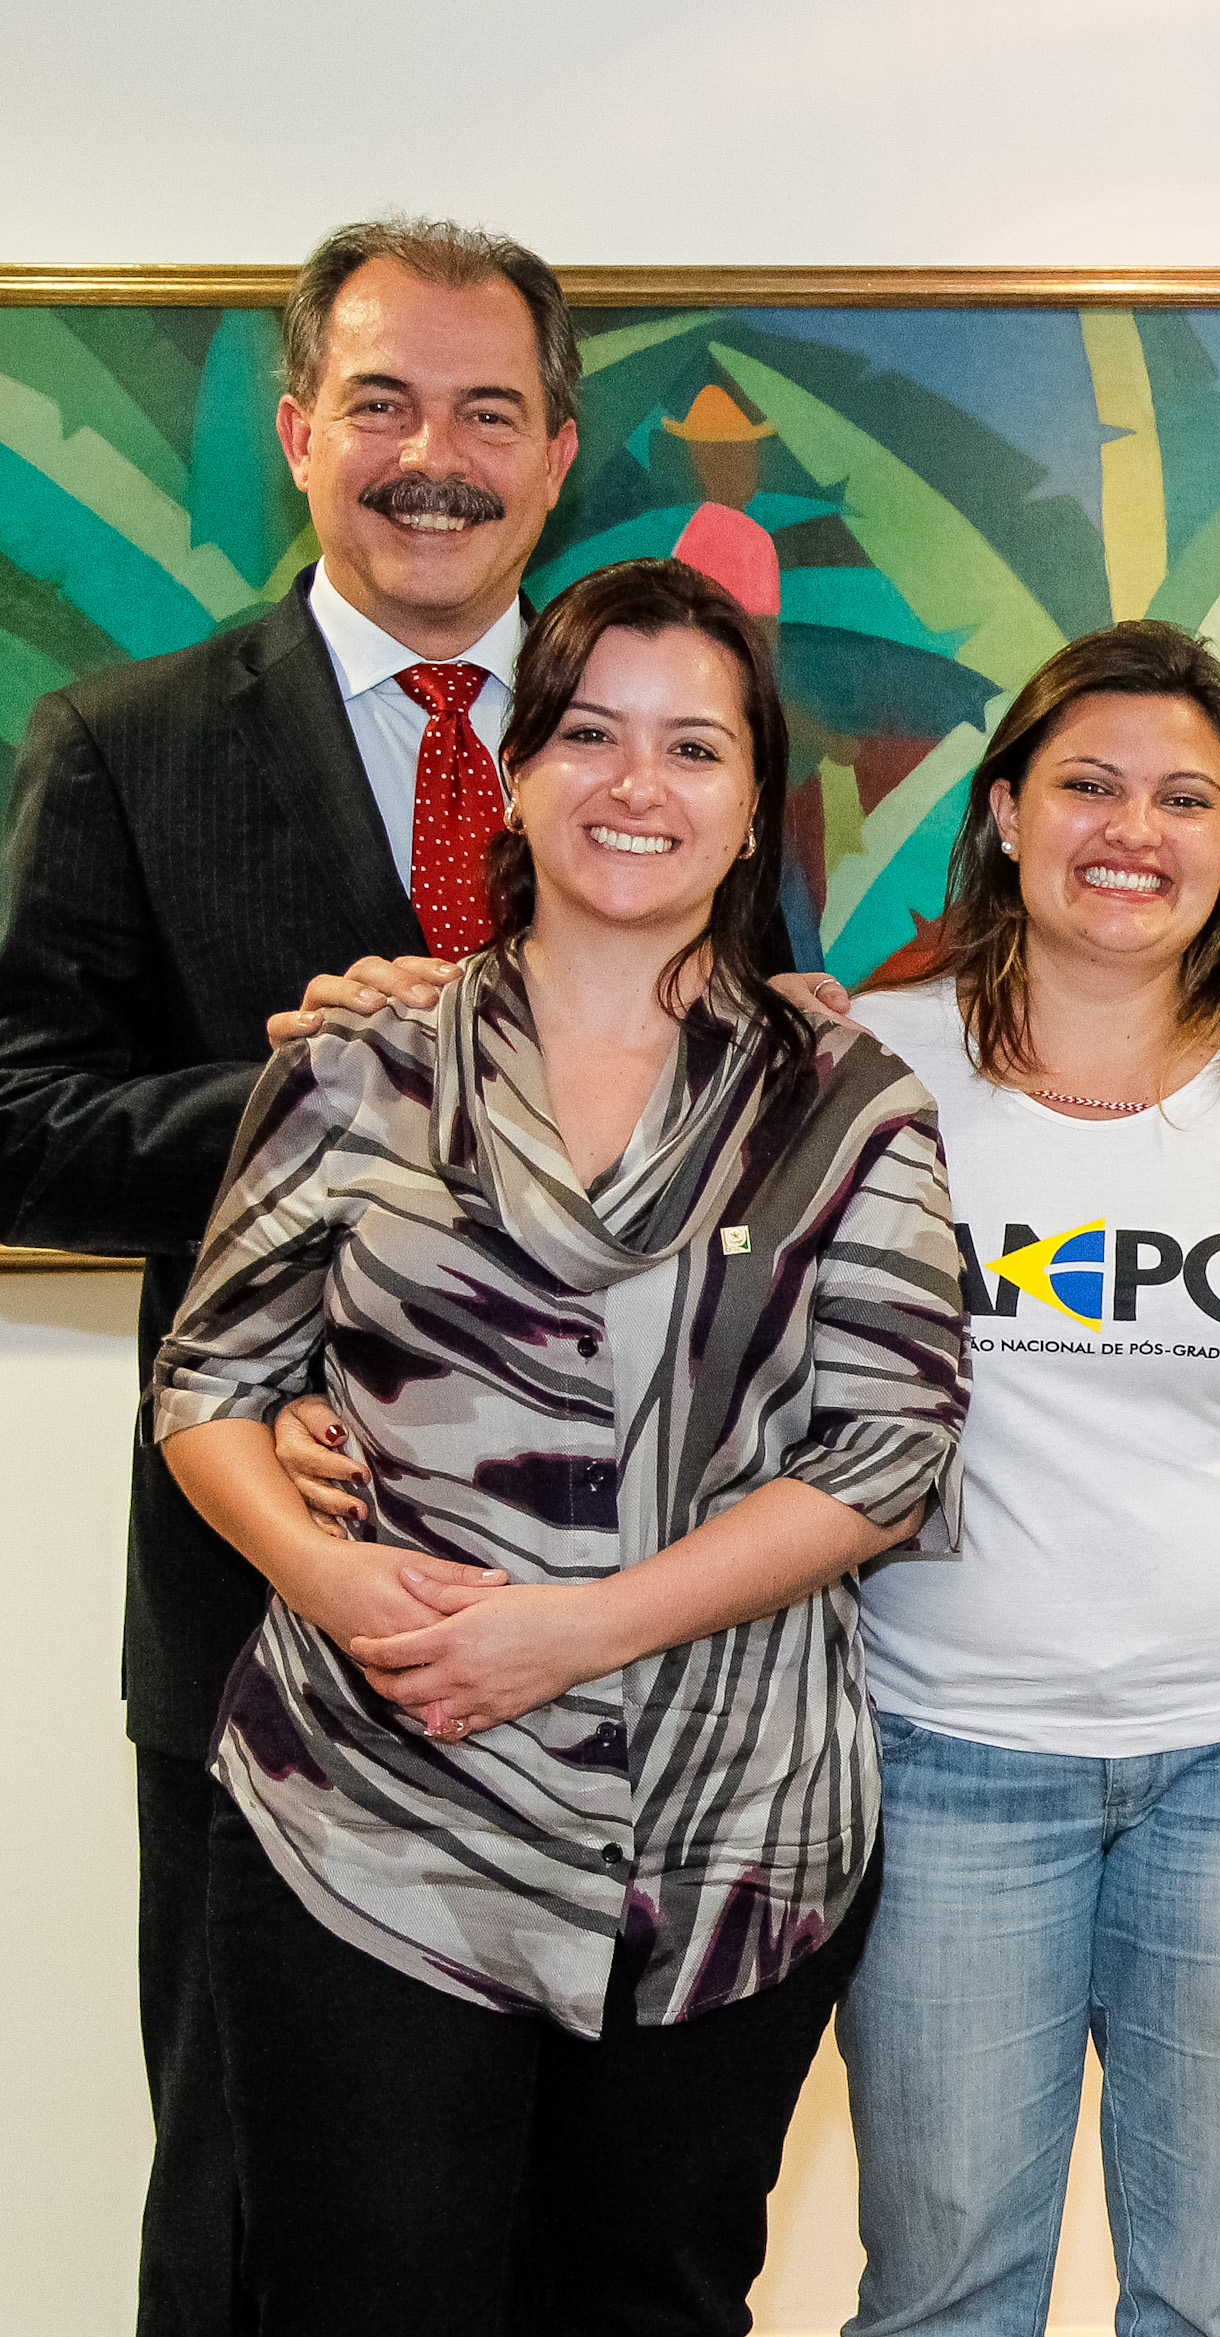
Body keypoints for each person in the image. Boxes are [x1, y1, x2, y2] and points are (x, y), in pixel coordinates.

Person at [148, 557, 963, 2332]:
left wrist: (576, 1629)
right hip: (375, 1820)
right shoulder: (363, 1064)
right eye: (590, 733)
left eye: (693, 748)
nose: (635, 786)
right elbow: (208, 1388)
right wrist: (335, 1581)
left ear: (754, 810)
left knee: (647, 2309)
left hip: (728, 1836)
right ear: (518, 772)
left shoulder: (841, 1103)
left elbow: (889, 1452)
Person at [0, 213, 580, 2337]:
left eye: (488, 411)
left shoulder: (657, 745)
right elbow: (17, 1115)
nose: (436, 455)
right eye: (386, 403)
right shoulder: (128, 739)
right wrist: (292, 1093)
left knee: (572, 2217)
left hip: (613, 1618)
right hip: (266, 1593)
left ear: (557, 449)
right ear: (297, 430)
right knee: (252, 2214)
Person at [831, 620, 1220, 2336]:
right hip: (949, 1757)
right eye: (1092, 785)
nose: (1137, 829)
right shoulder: (874, 1070)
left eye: (1188, 797)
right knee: (945, 2288)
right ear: (1005, 815)